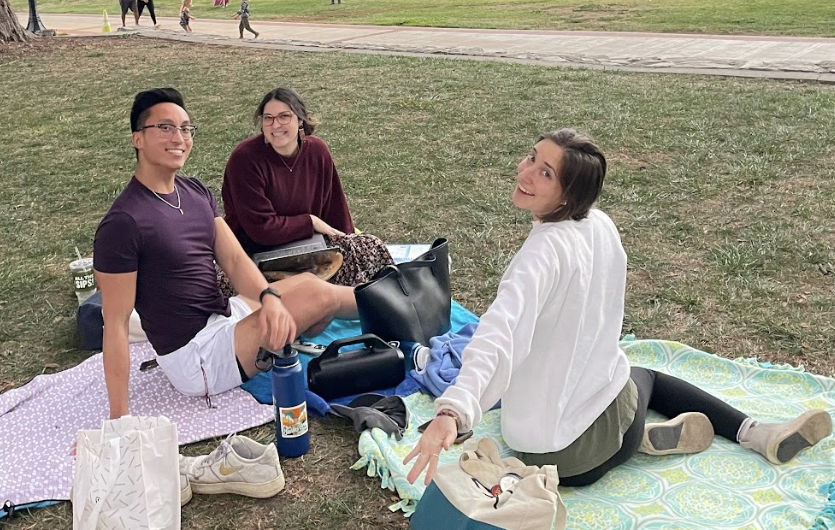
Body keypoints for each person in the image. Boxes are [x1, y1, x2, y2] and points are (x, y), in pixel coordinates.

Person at [407, 130, 832, 489]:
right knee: (642, 375)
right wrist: (455, 407)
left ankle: (642, 438)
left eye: (545, 172)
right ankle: (753, 433)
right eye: (532, 158)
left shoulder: (544, 252)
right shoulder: (601, 227)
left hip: (544, 451)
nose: (525, 173)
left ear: (569, 193)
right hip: (574, 454)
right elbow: (501, 332)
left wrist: (455, 410)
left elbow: (500, 332)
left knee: (623, 376)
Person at [93, 88, 361, 416]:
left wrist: (268, 299)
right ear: (138, 138)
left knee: (309, 287)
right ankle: (397, 310)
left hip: (223, 316)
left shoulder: (193, 192)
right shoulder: (124, 222)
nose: (178, 137)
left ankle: (392, 300)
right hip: (195, 356)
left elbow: (234, 260)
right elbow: (116, 322)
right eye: (164, 127)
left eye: (185, 128)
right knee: (320, 296)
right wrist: (119, 417)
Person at [221, 87, 393, 288]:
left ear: (300, 119)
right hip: (256, 255)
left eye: (284, 116)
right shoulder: (245, 159)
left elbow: (334, 207)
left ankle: (392, 303)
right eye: (268, 118)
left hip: (308, 247)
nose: (275, 125)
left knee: (369, 248)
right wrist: (309, 222)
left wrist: (348, 242)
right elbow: (261, 229)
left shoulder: (317, 151)